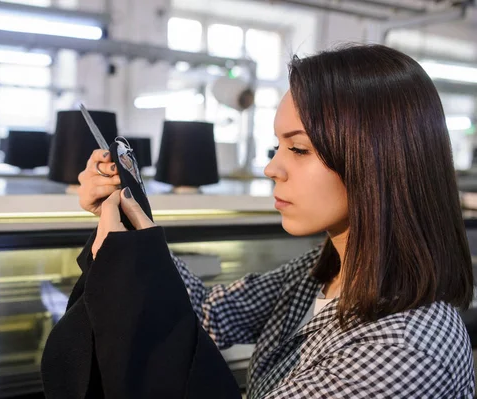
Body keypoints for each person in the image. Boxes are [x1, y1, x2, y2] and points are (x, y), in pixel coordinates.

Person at [73, 44, 475, 398]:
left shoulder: (400, 351)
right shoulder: (323, 274)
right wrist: (127, 218)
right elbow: (212, 313)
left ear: (377, 161)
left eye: (298, 149)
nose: (271, 168)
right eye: (277, 146)